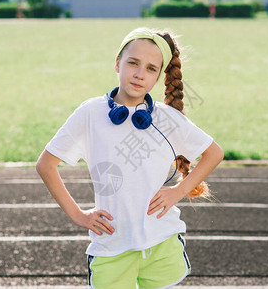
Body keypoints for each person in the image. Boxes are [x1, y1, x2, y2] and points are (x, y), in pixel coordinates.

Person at [36, 27, 224, 289]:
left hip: (161, 242)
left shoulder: (167, 118)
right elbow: (45, 165)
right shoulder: (90, 113)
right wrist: (78, 214)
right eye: (133, 63)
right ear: (117, 63)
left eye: (150, 69)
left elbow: (214, 153)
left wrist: (177, 192)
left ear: (159, 76)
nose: (139, 74)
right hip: (112, 245)